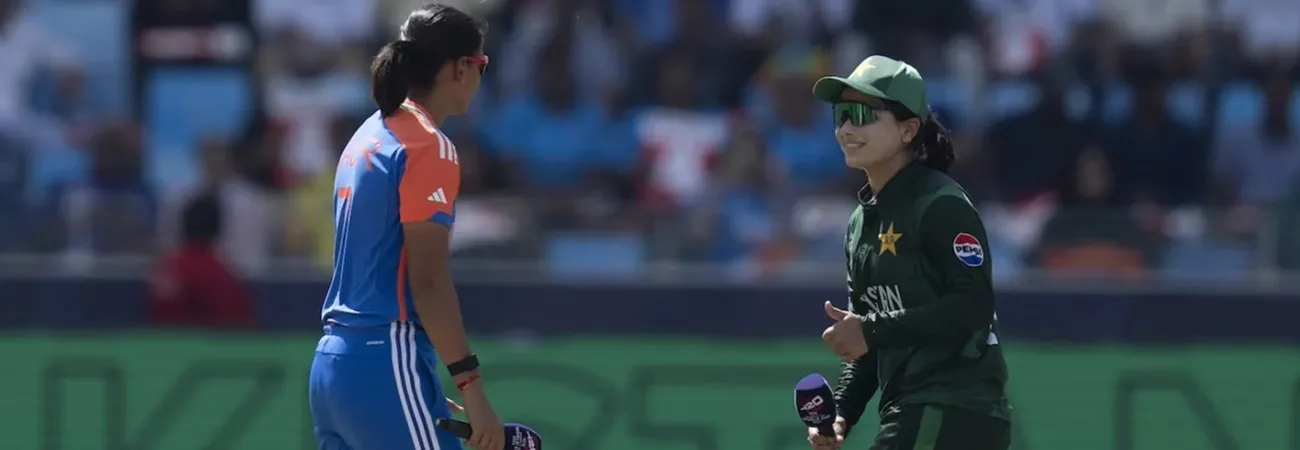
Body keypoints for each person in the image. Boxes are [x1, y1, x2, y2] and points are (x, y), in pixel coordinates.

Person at [307, 4, 501, 450]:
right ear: (460, 68)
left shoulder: (367, 134)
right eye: (482, 64)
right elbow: (428, 281)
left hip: (335, 366)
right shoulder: (429, 146)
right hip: (385, 357)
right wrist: (470, 387)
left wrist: (412, 384)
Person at [806, 55, 1011, 450]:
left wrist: (869, 329)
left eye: (862, 115)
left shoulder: (940, 204)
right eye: (841, 115)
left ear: (908, 129)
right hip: (918, 411)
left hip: (952, 407)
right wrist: (842, 412)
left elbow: (973, 305)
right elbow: (870, 344)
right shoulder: (861, 222)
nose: (846, 128)